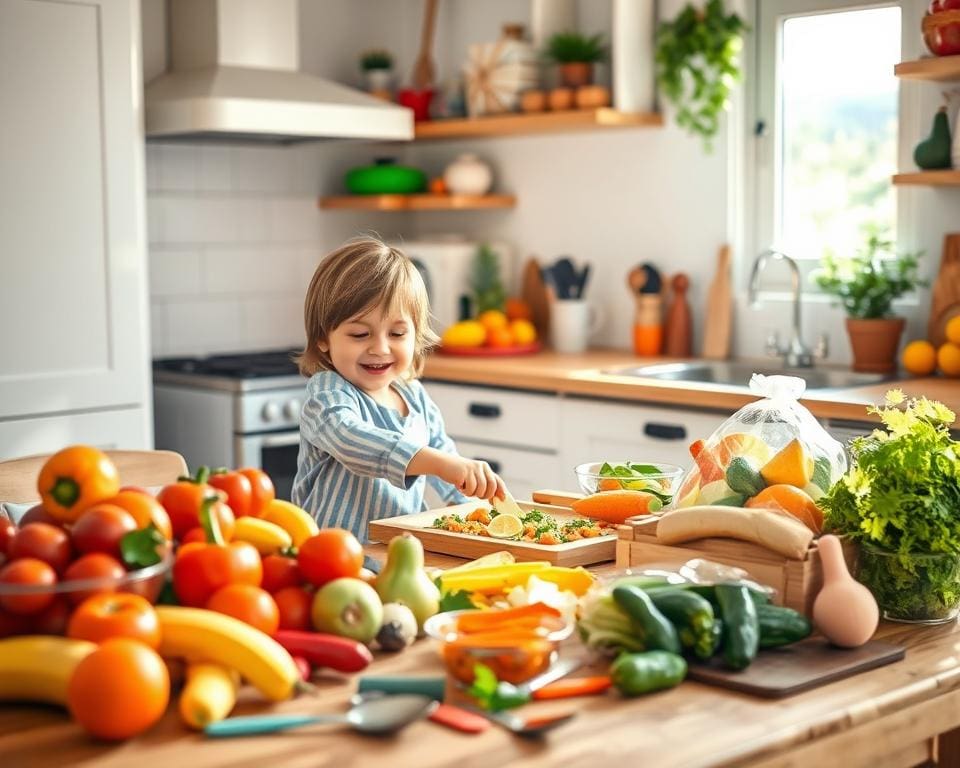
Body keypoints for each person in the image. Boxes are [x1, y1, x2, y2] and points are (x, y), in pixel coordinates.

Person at [292, 236, 506, 541]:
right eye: (360, 334)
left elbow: (451, 476)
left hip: (401, 558)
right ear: (323, 339)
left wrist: (479, 507)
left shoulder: (415, 397)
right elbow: (351, 440)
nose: (380, 348)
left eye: (397, 333)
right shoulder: (326, 393)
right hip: (334, 563)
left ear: (416, 336)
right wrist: (441, 464)